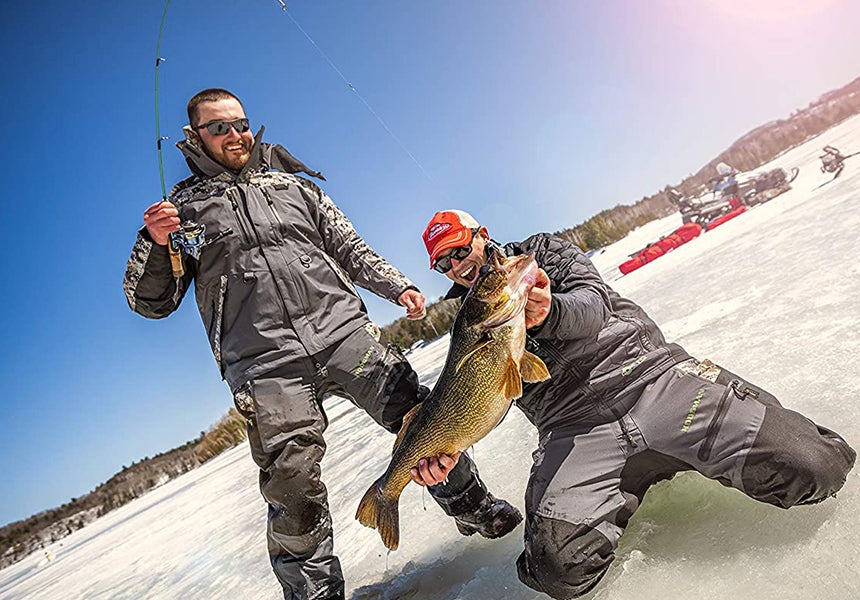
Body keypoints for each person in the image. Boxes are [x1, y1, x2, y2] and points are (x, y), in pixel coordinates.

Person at [122, 89, 521, 600]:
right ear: (195, 136)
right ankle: (316, 592)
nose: (236, 134)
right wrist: (157, 243)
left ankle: (473, 505)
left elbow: (347, 246)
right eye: (219, 127)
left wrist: (396, 285)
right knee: (291, 480)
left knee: (419, 414)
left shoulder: (294, 187)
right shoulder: (180, 213)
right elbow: (149, 301)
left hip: (343, 333)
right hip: (266, 366)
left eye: (240, 123)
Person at [418, 209, 856, 599]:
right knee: (555, 570)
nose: (457, 266)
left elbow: (592, 306)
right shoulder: (471, 322)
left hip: (654, 380)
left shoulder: (541, 253)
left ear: (481, 234)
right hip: (575, 430)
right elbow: (473, 397)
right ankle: (620, 482)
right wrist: (447, 447)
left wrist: (549, 312)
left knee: (817, 466)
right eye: (444, 263)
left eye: (459, 249)